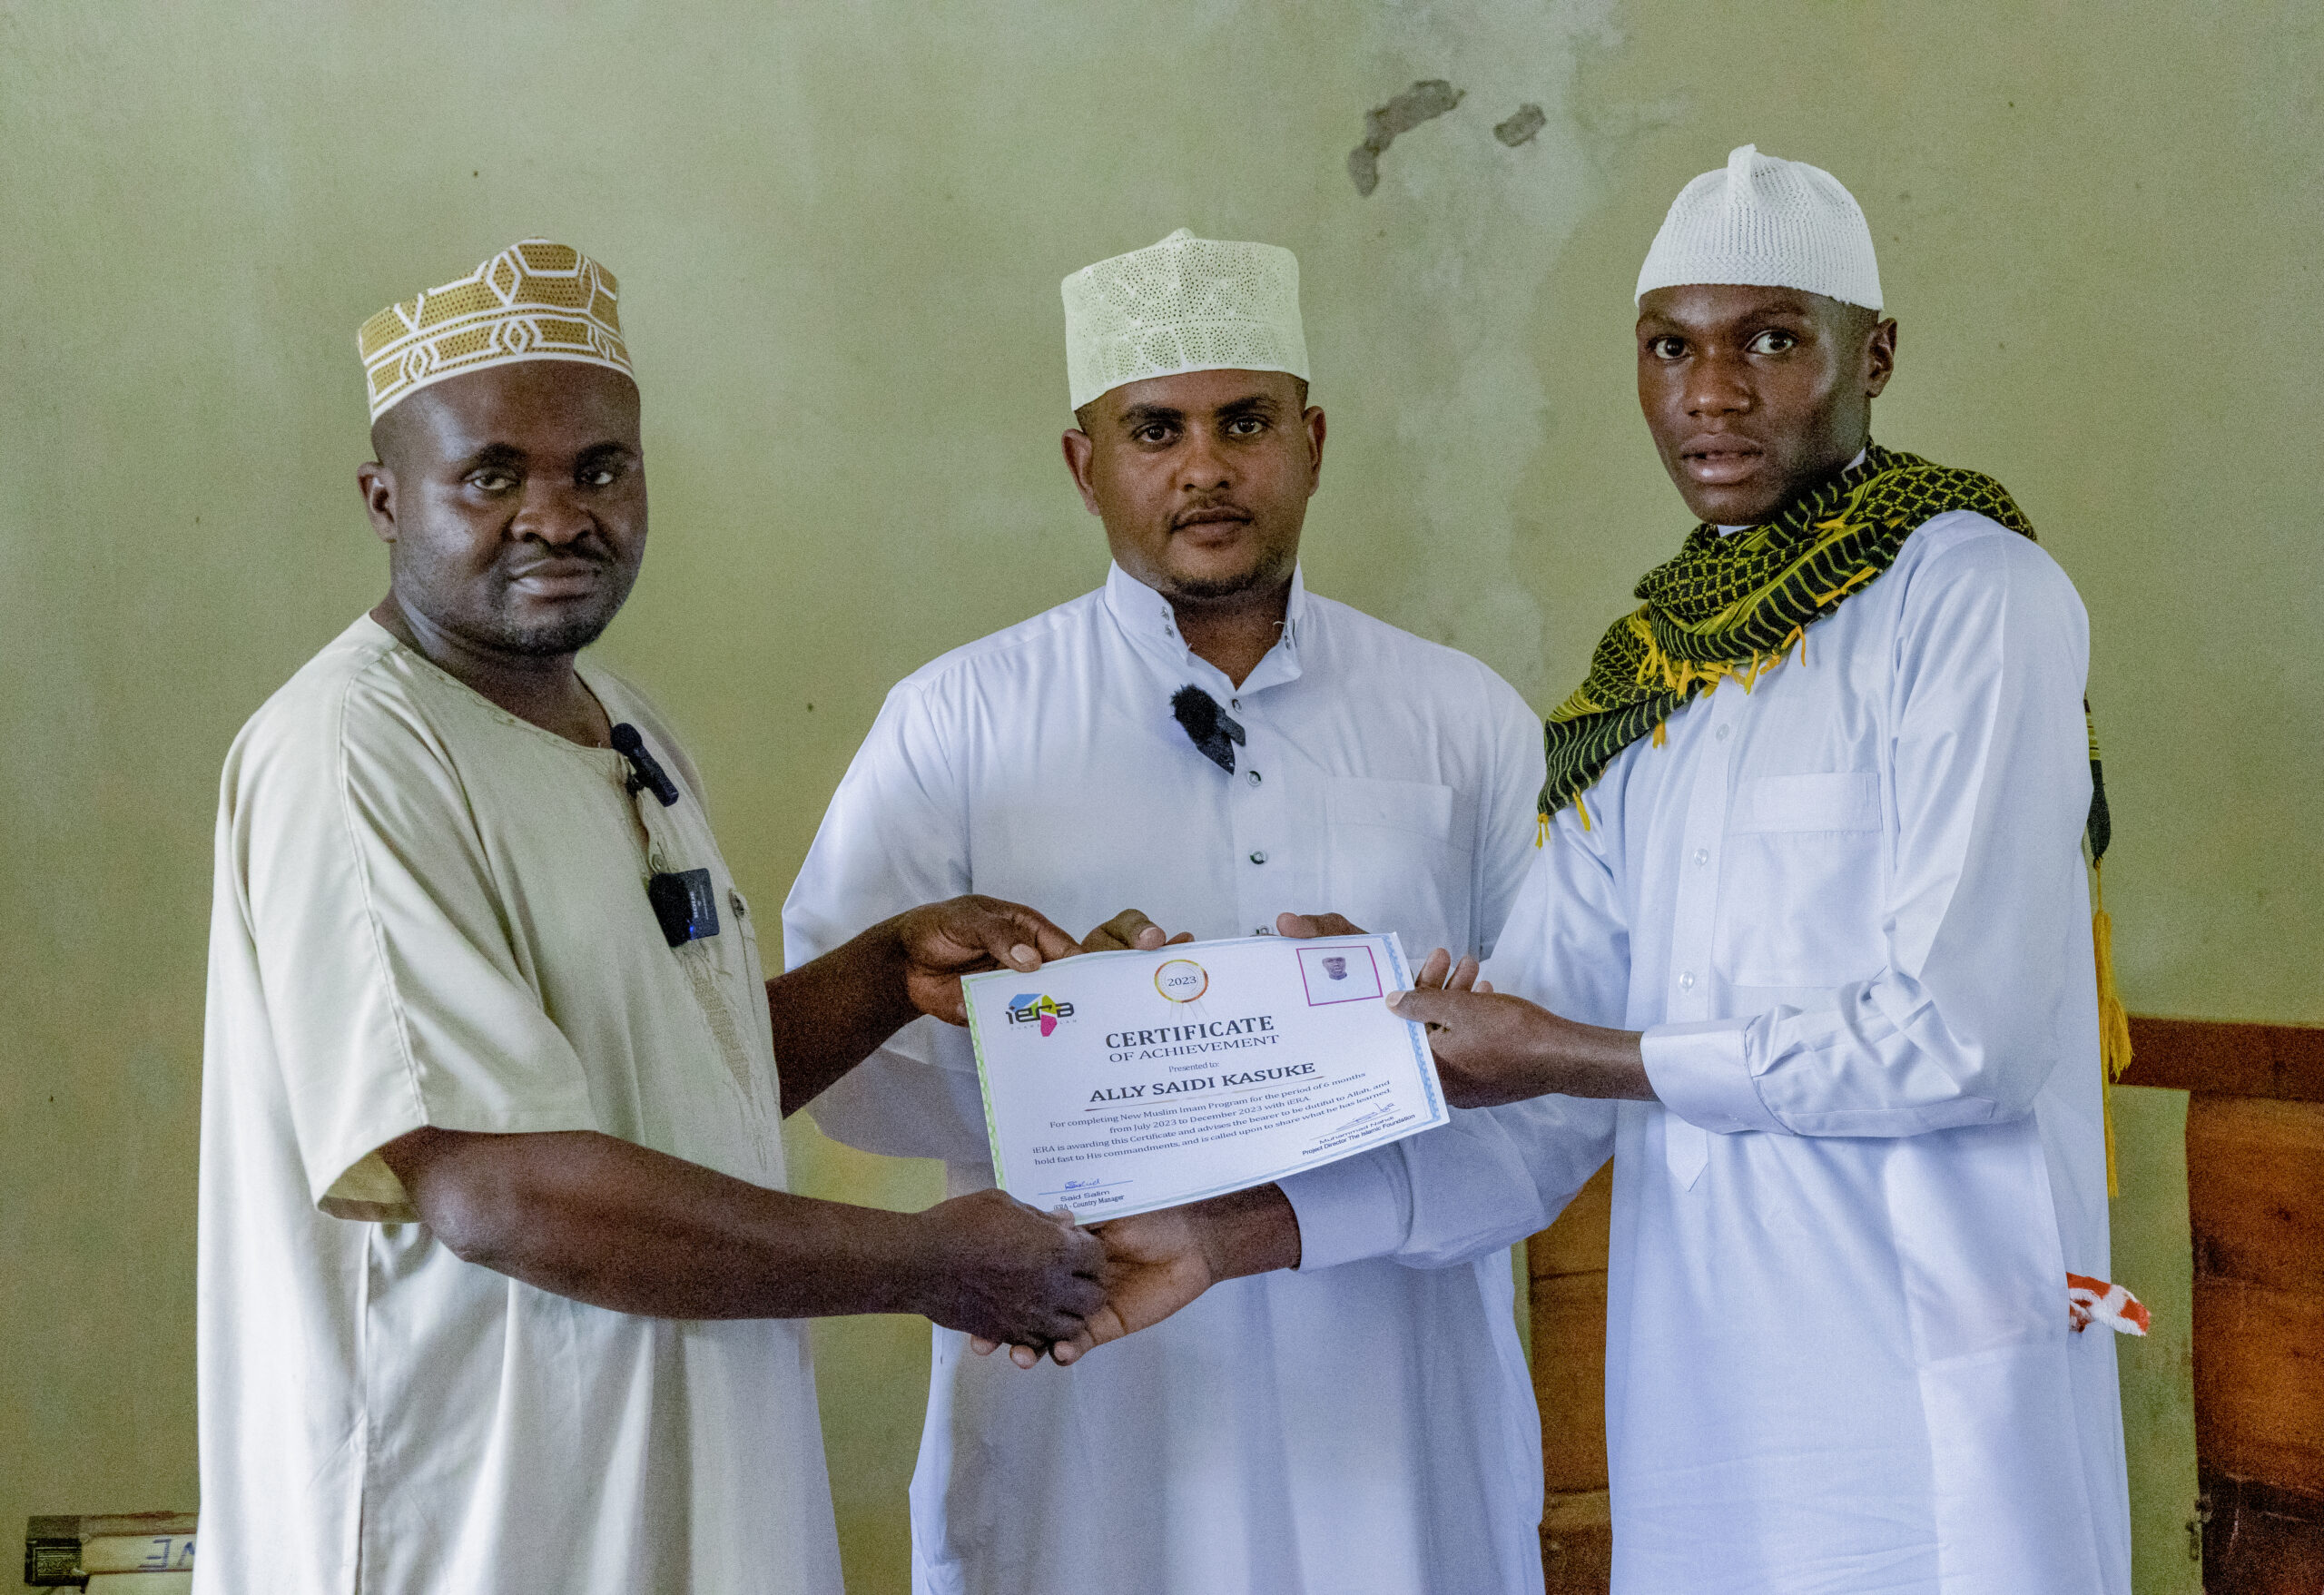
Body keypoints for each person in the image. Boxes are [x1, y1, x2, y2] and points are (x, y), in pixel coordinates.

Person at [1098, 148, 2138, 1592]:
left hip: (1930, 1409)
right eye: (1669, 347)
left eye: (1770, 339)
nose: (1712, 393)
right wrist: (1241, 1217)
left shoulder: (1974, 597)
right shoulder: (1653, 676)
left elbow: (1967, 1039)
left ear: (1875, 355)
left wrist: (1575, 1050)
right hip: (1705, 1418)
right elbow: (1532, 1110)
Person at [196, 240, 1110, 1595]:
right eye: (491, 474)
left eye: (599, 469)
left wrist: (884, 971)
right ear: (386, 500)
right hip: (488, 1520)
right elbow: (496, 1187)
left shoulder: (622, 725)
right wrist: (924, 1262)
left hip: (689, 1477)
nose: (556, 516)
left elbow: (682, 1087)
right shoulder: (352, 752)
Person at [783, 228, 1587, 1595]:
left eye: (1246, 422)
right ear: (1083, 462)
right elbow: (843, 1070)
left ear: (1312, 443)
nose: (1205, 467)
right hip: (1085, 1394)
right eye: (1156, 429)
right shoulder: (958, 723)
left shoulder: (1462, 719)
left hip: (1396, 1402)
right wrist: (1057, 1043)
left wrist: (1383, 1053)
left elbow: (1562, 1096)